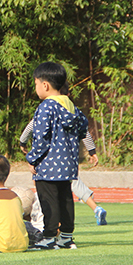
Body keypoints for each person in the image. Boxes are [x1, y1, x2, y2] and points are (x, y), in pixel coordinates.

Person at [26, 62, 88, 250]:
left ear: (44, 85)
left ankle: (49, 236)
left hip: (48, 164)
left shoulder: (47, 106)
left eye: (36, 83)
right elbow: (83, 127)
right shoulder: (70, 105)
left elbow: (41, 136)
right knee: (65, 198)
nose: (36, 88)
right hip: (68, 163)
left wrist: (32, 158)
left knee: (48, 200)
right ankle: (67, 237)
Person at [20, 112, 108, 226]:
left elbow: (29, 129)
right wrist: (92, 151)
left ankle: (46, 222)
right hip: (67, 160)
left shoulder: (45, 111)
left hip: (46, 162)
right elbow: (84, 131)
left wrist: (23, 144)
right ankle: (95, 209)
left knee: (44, 189)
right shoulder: (71, 113)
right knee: (74, 184)